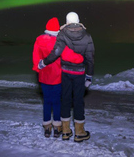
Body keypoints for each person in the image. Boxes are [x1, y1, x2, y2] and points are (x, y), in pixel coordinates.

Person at [38, 12, 95, 142]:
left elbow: (56, 52)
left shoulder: (62, 34)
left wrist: (44, 62)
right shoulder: (87, 36)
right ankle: (79, 132)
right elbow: (90, 58)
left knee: (66, 100)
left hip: (65, 72)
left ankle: (65, 131)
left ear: (67, 21)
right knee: (78, 101)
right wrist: (89, 76)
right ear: (78, 20)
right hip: (79, 73)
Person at [32, 17, 84, 138]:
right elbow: (68, 55)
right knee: (56, 102)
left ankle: (46, 128)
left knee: (47, 101)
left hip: (44, 76)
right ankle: (56, 127)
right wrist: (81, 59)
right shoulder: (59, 41)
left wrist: (37, 68)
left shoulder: (39, 40)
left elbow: (36, 57)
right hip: (57, 77)